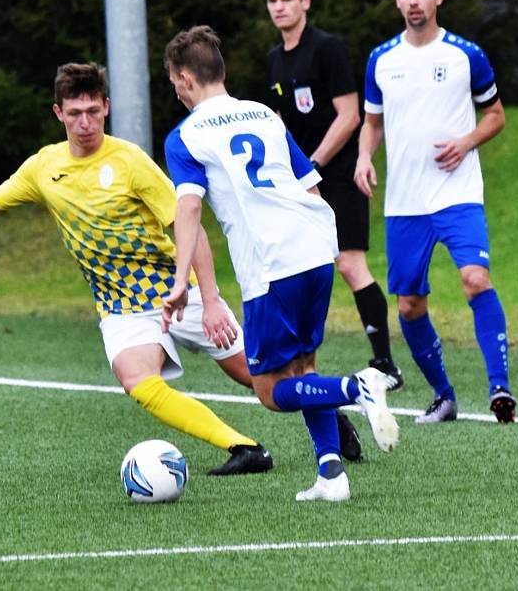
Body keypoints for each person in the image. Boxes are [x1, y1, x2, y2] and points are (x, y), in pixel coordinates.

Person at [0, 62, 273, 475]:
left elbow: (191, 227)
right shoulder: (44, 167)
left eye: (93, 112)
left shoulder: (130, 160)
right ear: (58, 113)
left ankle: (329, 417)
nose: (85, 123)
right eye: (75, 113)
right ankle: (245, 448)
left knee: (262, 380)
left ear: (107, 108)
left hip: (176, 292)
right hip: (120, 307)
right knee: (139, 381)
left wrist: (210, 301)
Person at [161, 25, 399, 502]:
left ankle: (359, 388)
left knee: (270, 390)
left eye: (174, 83)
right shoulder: (265, 116)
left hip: (270, 263)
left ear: (185, 79)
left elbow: (188, 209)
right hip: (315, 246)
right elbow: (309, 182)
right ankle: (331, 475)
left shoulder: (185, 136)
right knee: (303, 366)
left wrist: (181, 280)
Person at [355, 0, 516, 424]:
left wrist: (467, 142)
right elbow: (371, 123)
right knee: (409, 303)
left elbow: (496, 115)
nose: (413, 1)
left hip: (458, 193)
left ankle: (500, 387)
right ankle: (443, 396)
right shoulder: (381, 60)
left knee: (475, 279)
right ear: (397, 0)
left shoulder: (466, 55)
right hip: (404, 203)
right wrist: (365, 157)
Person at [264, 0, 403, 394]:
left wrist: (314, 163)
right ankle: (301, 360)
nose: (279, 8)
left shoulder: (328, 49)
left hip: (338, 174)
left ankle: (386, 364)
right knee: (303, 265)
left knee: (349, 262)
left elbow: (350, 115)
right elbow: (283, 122)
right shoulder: (274, 59)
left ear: (305, 1)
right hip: (300, 180)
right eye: (272, 1)